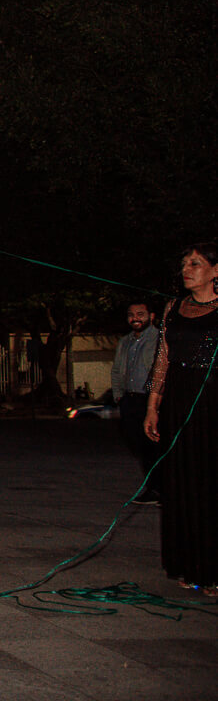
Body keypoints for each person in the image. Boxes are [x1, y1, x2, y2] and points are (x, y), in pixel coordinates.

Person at [142, 243, 218, 596]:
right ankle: (188, 563)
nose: (187, 269)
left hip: (212, 398)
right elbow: (162, 360)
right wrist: (153, 406)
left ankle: (213, 567)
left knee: (210, 482)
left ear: (215, 271)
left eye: (196, 263)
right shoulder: (173, 308)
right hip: (178, 399)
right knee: (182, 481)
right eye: (184, 263)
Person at [111, 300, 161, 505]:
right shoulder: (125, 341)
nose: (135, 318)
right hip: (130, 400)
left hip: (150, 400)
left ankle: (160, 489)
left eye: (140, 314)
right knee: (139, 446)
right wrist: (119, 396)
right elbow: (117, 370)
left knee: (155, 445)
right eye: (131, 314)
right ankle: (153, 488)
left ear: (151, 316)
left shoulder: (159, 339)